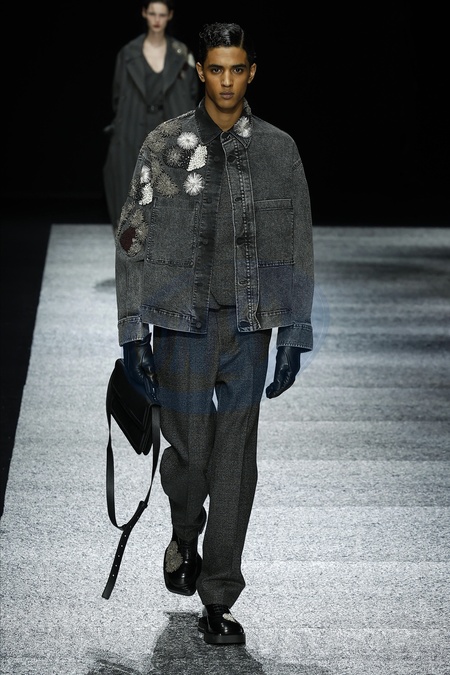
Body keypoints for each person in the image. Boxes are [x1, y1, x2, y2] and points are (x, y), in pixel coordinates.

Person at [114, 22, 314, 645]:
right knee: (189, 457)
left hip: (250, 326)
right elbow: (132, 237)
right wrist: (133, 333)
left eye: (238, 69)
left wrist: (294, 332)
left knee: (236, 464)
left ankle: (219, 596)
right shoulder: (165, 145)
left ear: (252, 72)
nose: (227, 81)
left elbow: (296, 244)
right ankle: (184, 531)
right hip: (181, 324)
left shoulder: (279, 150)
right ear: (200, 70)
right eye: (216, 69)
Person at [103, 0, 199, 231]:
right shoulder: (128, 53)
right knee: (127, 190)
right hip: (132, 129)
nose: (157, 20)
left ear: (170, 16)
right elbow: (118, 95)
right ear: (144, 13)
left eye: (162, 14)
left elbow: (192, 93)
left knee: (171, 191)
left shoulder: (181, 53)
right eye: (153, 13)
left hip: (170, 130)